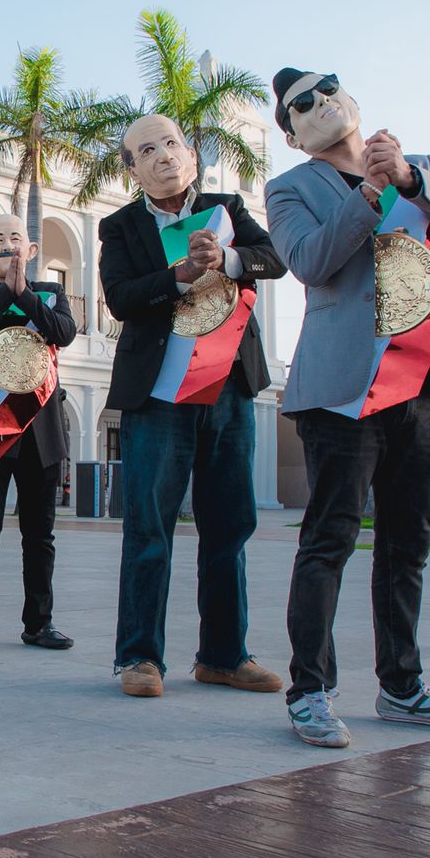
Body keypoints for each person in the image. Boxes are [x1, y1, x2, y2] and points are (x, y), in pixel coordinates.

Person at [265, 67, 430, 748]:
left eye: (327, 88)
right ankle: (311, 691)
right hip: (341, 391)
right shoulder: (290, 190)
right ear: (293, 133)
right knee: (329, 538)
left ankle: (403, 686)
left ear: (353, 101)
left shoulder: (416, 166)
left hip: (422, 383)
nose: (319, 103)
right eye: (300, 104)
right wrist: (368, 196)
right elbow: (311, 261)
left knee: (407, 541)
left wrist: (412, 184)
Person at [99, 113, 287, 698]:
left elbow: (273, 258)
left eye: (171, 144)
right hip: (158, 397)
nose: (163, 156)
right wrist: (177, 275)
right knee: (149, 527)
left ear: (191, 152)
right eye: (146, 150)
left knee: (230, 524)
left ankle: (225, 656)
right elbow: (121, 298)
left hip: (227, 388)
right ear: (132, 168)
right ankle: (139, 658)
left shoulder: (226, 208)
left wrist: (229, 261)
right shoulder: (120, 227)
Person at [0, 214, 77, 654]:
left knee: (39, 533)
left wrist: (26, 294)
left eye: (16, 238)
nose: (8, 244)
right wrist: (5, 293)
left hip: (41, 427)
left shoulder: (51, 293)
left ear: (32, 251)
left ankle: (38, 623)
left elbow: (64, 332)